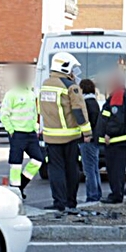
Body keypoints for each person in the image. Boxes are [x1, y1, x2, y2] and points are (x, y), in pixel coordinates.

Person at [38, 52, 91, 212]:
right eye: (72, 69)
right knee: (72, 170)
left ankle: (58, 202)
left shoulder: (45, 84)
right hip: (70, 136)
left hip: (50, 136)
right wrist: (87, 132)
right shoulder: (70, 87)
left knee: (55, 171)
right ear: (65, 67)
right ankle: (70, 201)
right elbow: (78, 111)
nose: (74, 73)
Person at [0, 64, 43, 198]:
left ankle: (21, 186)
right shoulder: (11, 94)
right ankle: (15, 191)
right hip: (17, 133)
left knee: (38, 160)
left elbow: (35, 113)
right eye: (21, 75)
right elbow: (4, 114)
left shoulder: (31, 94)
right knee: (16, 164)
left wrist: (35, 128)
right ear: (17, 78)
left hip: (30, 134)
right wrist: (11, 130)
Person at [93, 75, 126, 203]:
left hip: (115, 141)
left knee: (114, 169)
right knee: (118, 169)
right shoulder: (124, 95)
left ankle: (116, 195)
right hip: (121, 141)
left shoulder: (118, 95)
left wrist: (109, 133)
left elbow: (116, 118)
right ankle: (117, 193)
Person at [79, 78, 102, 203]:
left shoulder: (86, 104)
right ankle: (97, 193)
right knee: (94, 168)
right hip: (95, 139)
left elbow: (88, 121)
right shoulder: (94, 102)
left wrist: (87, 135)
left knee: (89, 169)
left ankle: (92, 195)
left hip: (88, 139)